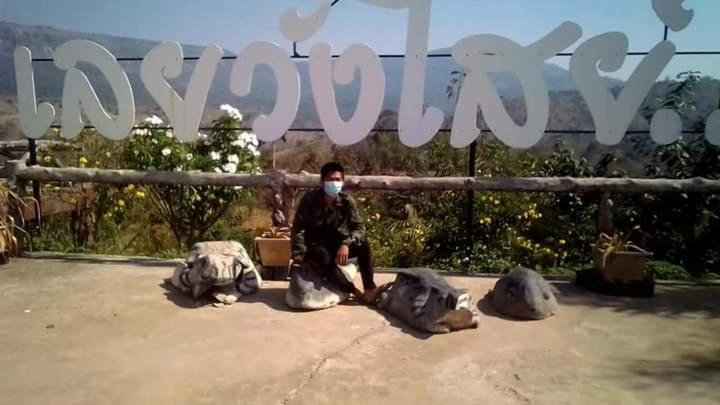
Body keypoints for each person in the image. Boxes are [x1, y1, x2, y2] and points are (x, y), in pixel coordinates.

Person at [291, 162, 380, 304]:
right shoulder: (309, 200)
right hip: (316, 246)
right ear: (322, 181)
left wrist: (346, 244)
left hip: (337, 244)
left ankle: (370, 288)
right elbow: (298, 229)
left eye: (337, 180)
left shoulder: (347, 202)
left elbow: (359, 228)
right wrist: (300, 257)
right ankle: (354, 291)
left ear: (342, 182)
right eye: (330, 179)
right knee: (323, 257)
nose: (334, 183)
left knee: (364, 244)